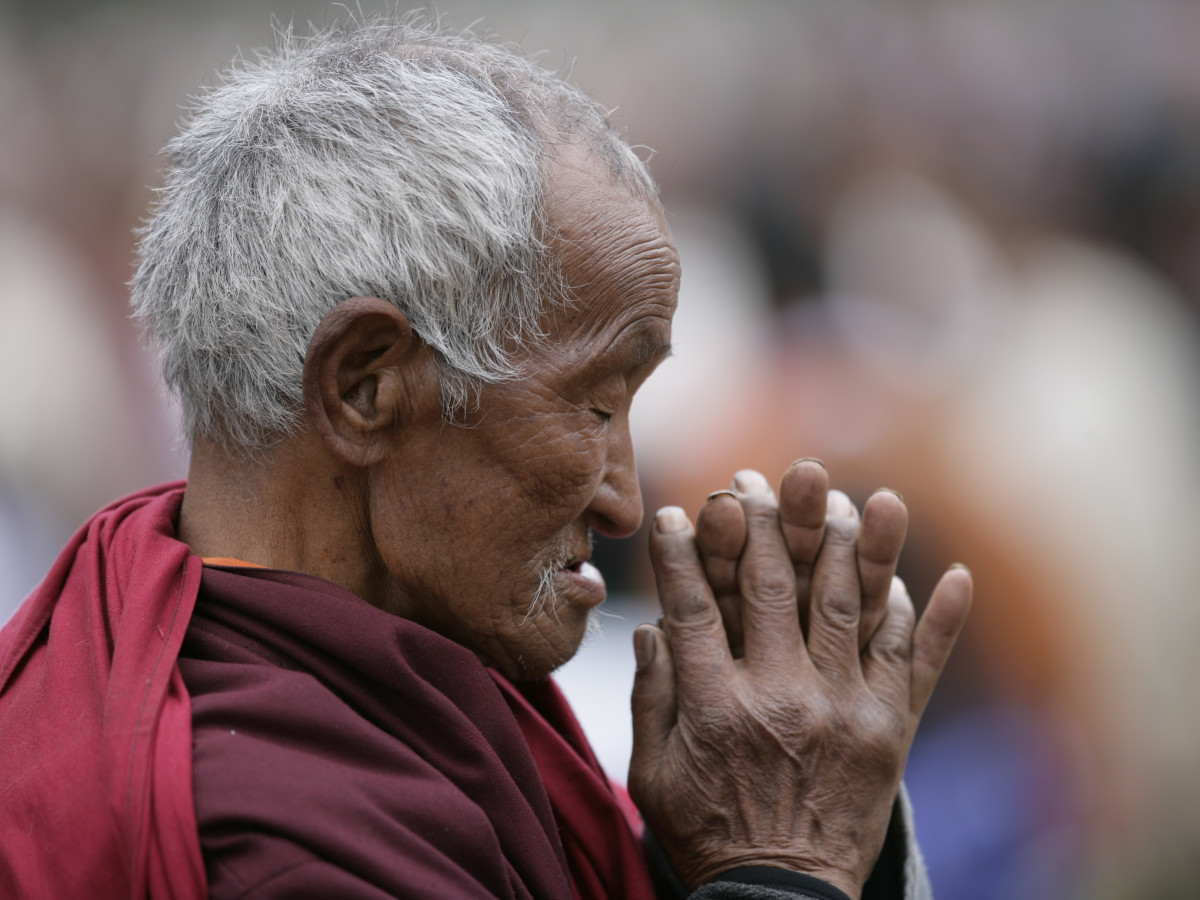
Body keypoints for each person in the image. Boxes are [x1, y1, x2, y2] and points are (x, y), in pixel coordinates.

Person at [0, 16, 971, 900]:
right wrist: (780, 871)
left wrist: (713, 849)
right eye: (594, 405)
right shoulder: (272, 843)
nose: (627, 501)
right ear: (366, 387)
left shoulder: (396, 677)